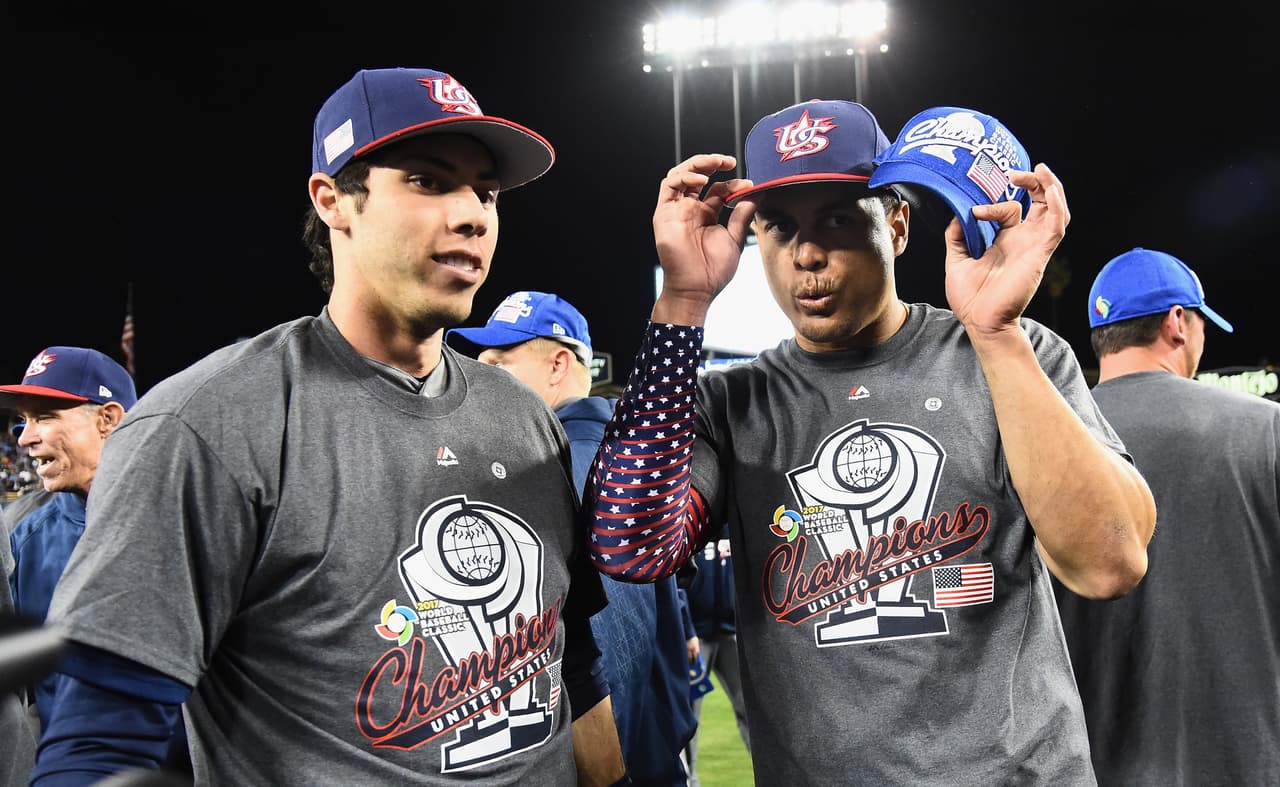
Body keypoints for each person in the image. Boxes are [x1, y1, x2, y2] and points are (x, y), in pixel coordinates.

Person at [31, 67, 627, 786]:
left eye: (486, 191)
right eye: (430, 181)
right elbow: (100, 740)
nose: (473, 214)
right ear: (334, 199)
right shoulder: (206, 425)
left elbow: (572, 658)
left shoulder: (524, 415)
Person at [583, 98, 1157, 786]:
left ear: (898, 223)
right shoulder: (732, 404)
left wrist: (998, 332)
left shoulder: (1011, 351)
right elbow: (627, 546)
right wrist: (680, 300)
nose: (806, 253)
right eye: (778, 226)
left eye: (836, 217)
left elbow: (1108, 563)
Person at [449, 290, 699, 786]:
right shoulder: (613, 455)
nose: (480, 380)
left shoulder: (578, 471)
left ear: (558, 365)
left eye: (499, 363)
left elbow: (611, 651)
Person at [1054, 247, 1280, 786]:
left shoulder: (1043, 446)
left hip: (1088, 765)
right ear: (1178, 322)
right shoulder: (1268, 429)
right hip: (1246, 761)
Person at [0, 348, 137, 733]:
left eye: (44, 417)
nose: (25, 437)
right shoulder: (21, 534)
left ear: (108, 419)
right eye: (24, 420)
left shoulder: (192, 514)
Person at [680, 523, 749, 787]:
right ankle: (689, 781)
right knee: (689, 718)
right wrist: (686, 630)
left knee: (749, 708)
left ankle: (767, 774)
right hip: (696, 638)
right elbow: (678, 581)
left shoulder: (737, 519)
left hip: (733, 631)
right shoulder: (693, 521)